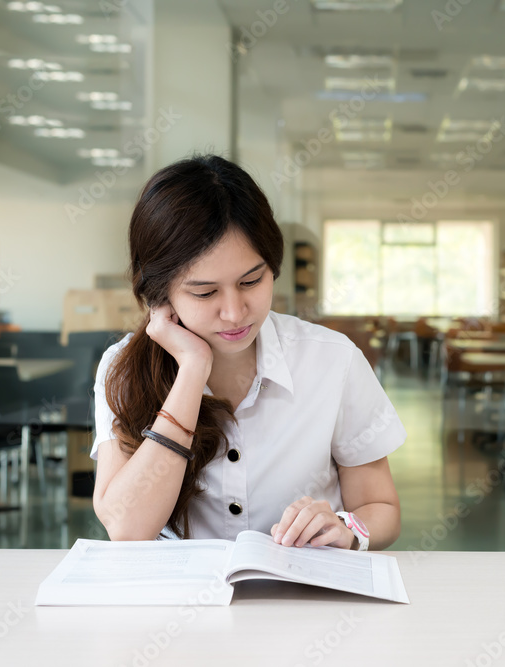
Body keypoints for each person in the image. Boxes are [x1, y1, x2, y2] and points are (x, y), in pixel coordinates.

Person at [90, 154, 405, 551]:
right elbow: (127, 530)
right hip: (177, 606)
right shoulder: (123, 368)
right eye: (205, 292)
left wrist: (346, 528)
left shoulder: (333, 361)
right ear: (159, 294)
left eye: (251, 281)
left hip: (301, 601)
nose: (235, 312)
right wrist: (192, 370)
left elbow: (380, 507)